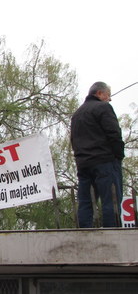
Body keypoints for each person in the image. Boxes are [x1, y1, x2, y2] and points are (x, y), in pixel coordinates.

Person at [70, 81, 124, 228]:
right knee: (110, 200)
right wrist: (119, 155)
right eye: (108, 95)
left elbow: (73, 140)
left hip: (84, 164)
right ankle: (111, 234)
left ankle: (84, 232)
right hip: (105, 161)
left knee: (85, 202)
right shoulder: (103, 107)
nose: (110, 99)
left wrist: (80, 159)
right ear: (99, 93)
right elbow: (114, 134)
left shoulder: (77, 114)